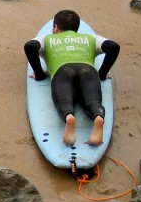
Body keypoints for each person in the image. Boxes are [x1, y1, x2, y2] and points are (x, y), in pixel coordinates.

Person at [24, 10, 119, 146]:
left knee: (64, 102)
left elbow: (30, 46)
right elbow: (114, 47)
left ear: (55, 27)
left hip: (63, 72)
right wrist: (102, 74)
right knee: (93, 101)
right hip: (88, 71)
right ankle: (98, 116)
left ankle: (69, 117)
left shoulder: (46, 39)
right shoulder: (91, 38)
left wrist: (39, 74)